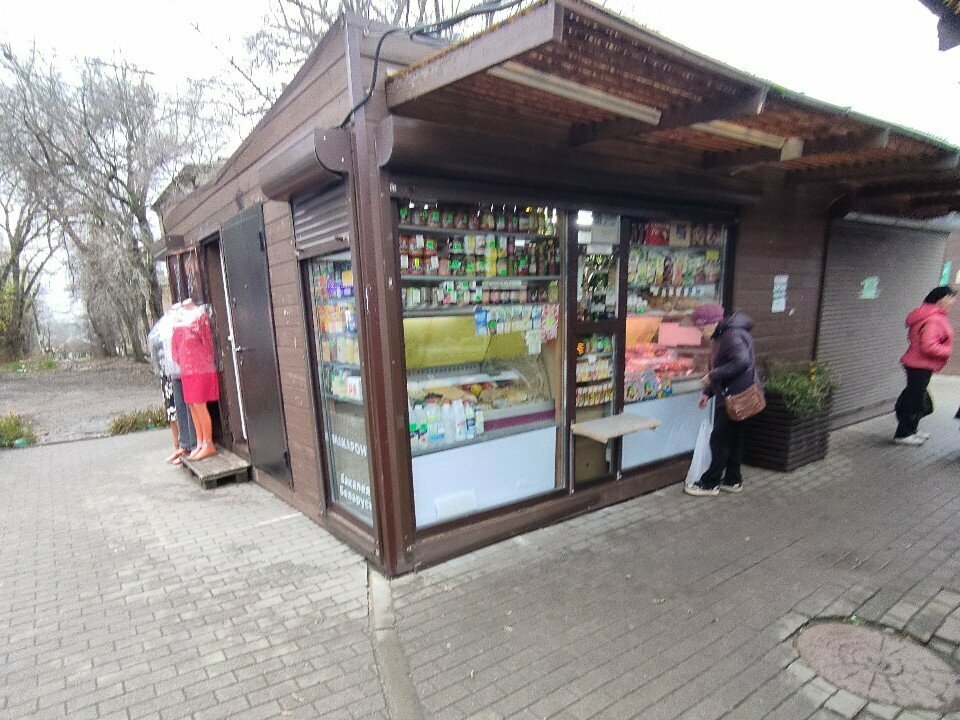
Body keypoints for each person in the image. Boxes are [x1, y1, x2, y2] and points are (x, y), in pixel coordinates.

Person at [685, 304, 758, 497]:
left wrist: (712, 377)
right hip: (735, 393)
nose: (700, 332)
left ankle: (710, 483)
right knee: (734, 439)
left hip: (734, 396)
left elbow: (741, 361)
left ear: (712, 323)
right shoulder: (723, 335)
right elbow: (721, 366)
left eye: (701, 327)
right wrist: (708, 393)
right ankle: (733, 480)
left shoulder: (730, 335)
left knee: (719, 440)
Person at [893, 285, 955, 445]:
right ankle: (903, 434)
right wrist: (947, 350)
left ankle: (911, 430)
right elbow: (928, 345)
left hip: (918, 364)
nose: (953, 301)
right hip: (920, 365)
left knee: (914, 397)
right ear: (941, 299)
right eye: (950, 297)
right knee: (914, 400)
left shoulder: (928, 314)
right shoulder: (933, 318)